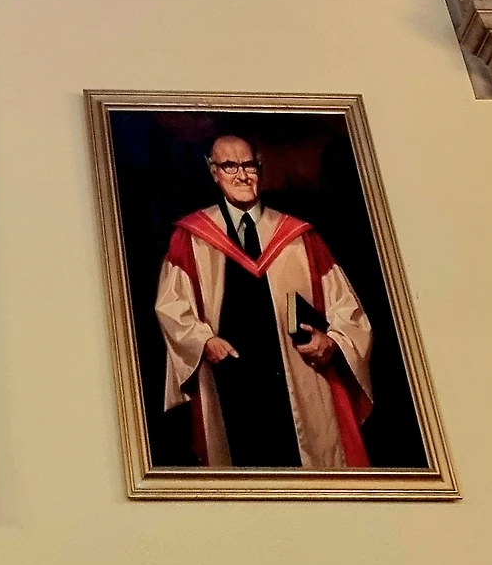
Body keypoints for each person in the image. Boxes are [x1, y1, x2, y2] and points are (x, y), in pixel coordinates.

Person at [154, 132, 373, 470]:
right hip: (230, 380)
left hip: (299, 376)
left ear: (260, 167)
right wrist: (204, 340)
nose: (242, 175)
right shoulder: (190, 237)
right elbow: (172, 307)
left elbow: (346, 306)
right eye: (230, 166)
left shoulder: (300, 236)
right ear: (213, 171)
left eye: (249, 165)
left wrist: (332, 341)